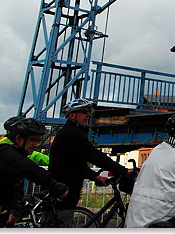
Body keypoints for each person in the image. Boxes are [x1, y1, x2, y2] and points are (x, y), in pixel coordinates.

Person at [0, 118, 68, 228]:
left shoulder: (13, 156)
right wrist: (56, 186)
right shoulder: (6, 154)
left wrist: (15, 207)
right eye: (33, 140)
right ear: (19, 138)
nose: (36, 145)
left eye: (38, 141)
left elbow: (14, 184)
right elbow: (30, 169)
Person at [49, 98, 135, 228]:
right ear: (72, 115)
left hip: (66, 193)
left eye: (88, 112)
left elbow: (75, 163)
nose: (88, 115)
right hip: (63, 193)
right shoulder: (71, 134)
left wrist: (95, 176)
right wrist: (123, 171)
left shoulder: (72, 133)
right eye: (84, 112)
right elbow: (94, 155)